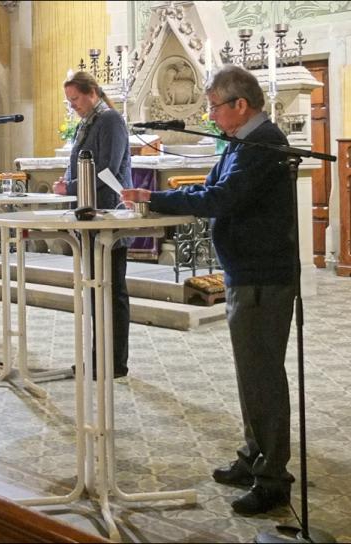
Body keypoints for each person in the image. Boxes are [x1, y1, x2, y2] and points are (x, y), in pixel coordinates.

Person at [122, 64, 295, 516]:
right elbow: (214, 187)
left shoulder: (264, 143)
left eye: (216, 106)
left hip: (263, 275)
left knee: (263, 378)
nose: (211, 115)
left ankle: (274, 477)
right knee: (250, 375)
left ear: (240, 105)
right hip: (246, 272)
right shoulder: (241, 143)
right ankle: (252, 456)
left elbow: (221, 199)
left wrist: (153, 198)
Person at [53, 71, 132, 378]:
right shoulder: (89, 122)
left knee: (111, 292)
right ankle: (98, 357)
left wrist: (70, 187)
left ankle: (114, 362)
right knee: (96, 291)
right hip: (90, 215)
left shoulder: (110, 120)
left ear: (92, 93)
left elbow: (108, 169)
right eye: (69, 100)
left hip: (108, 214)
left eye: (75, 99)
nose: (73, 106)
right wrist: (68, 183)